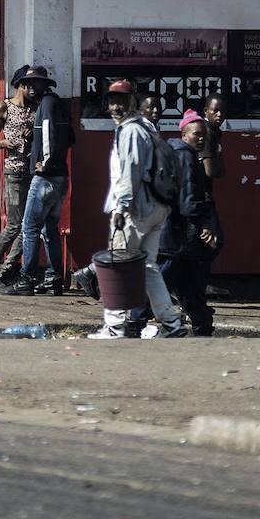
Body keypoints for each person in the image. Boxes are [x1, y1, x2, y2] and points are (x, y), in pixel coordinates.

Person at [88, 80, 186, 340]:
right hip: (156, 207)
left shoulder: (131, 130)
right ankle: (171, 323)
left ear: (132, 102)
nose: (116, 106)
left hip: (136, 209)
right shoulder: (147, 127)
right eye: (112, 100)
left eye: (121, 100)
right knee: (148, 268)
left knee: (117, 266)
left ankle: (114, 326)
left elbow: (130, 172)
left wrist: (121, 207)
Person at [2, 66, 75, 296]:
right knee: (49, 229)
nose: (32, 87)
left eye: (37, 83)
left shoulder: (46, 105)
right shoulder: (60, 105)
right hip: (61, 177)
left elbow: (47, 133)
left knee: (29, 226)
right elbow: (70, 137)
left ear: (46, 85)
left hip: (45, 178)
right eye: (28, 83)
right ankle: (54, 279)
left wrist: (46, 162)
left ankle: (27, 279)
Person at [154, 119, 221, 336]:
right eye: (196, 134)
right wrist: (205, 224)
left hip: (182, 239)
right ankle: (136, 322)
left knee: (187, 288)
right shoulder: (185, 157)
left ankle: (198, 328)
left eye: (204, 135)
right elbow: (190, 200)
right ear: (184, 135)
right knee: (163, 285)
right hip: (177, 238)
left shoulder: (188, 157)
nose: (201, 138)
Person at [0, 65, 42, 289]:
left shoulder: (36, 108)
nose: (36, 90)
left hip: (31, 172)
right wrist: (7, 143)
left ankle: (8, 268)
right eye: (32, 86)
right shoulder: (3, 107)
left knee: (27, 225)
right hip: (13, 171)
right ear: (22, 85)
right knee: (15, 224)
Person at [199, 93, 227, 180]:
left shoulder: (214, 130)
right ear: (205, 111)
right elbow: (210, 172)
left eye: (223, 111)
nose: (219, 114)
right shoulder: (206, 132)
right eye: (215, 110)